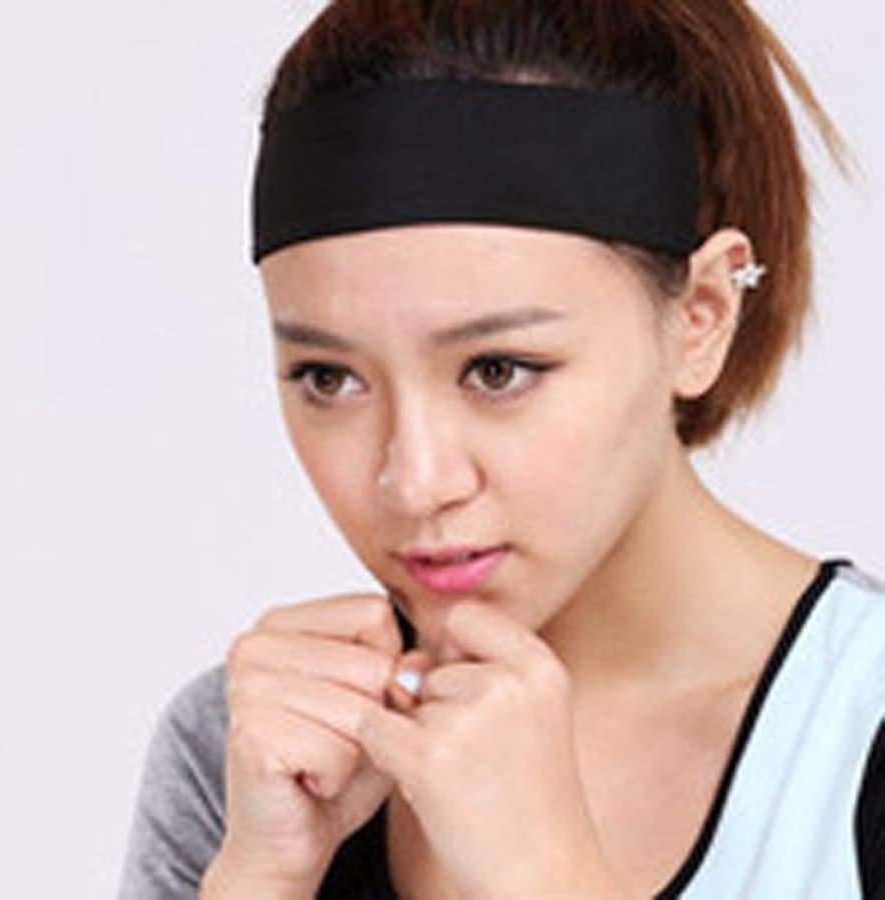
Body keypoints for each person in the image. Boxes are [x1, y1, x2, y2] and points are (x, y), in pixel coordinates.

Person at [118, 2, 885, 898]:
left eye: (497, 369)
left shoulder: (856, 729)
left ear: (702, 317)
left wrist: (549, 878)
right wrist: (265, 876)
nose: (415, 482)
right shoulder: (255, 754)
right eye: (330, 378)